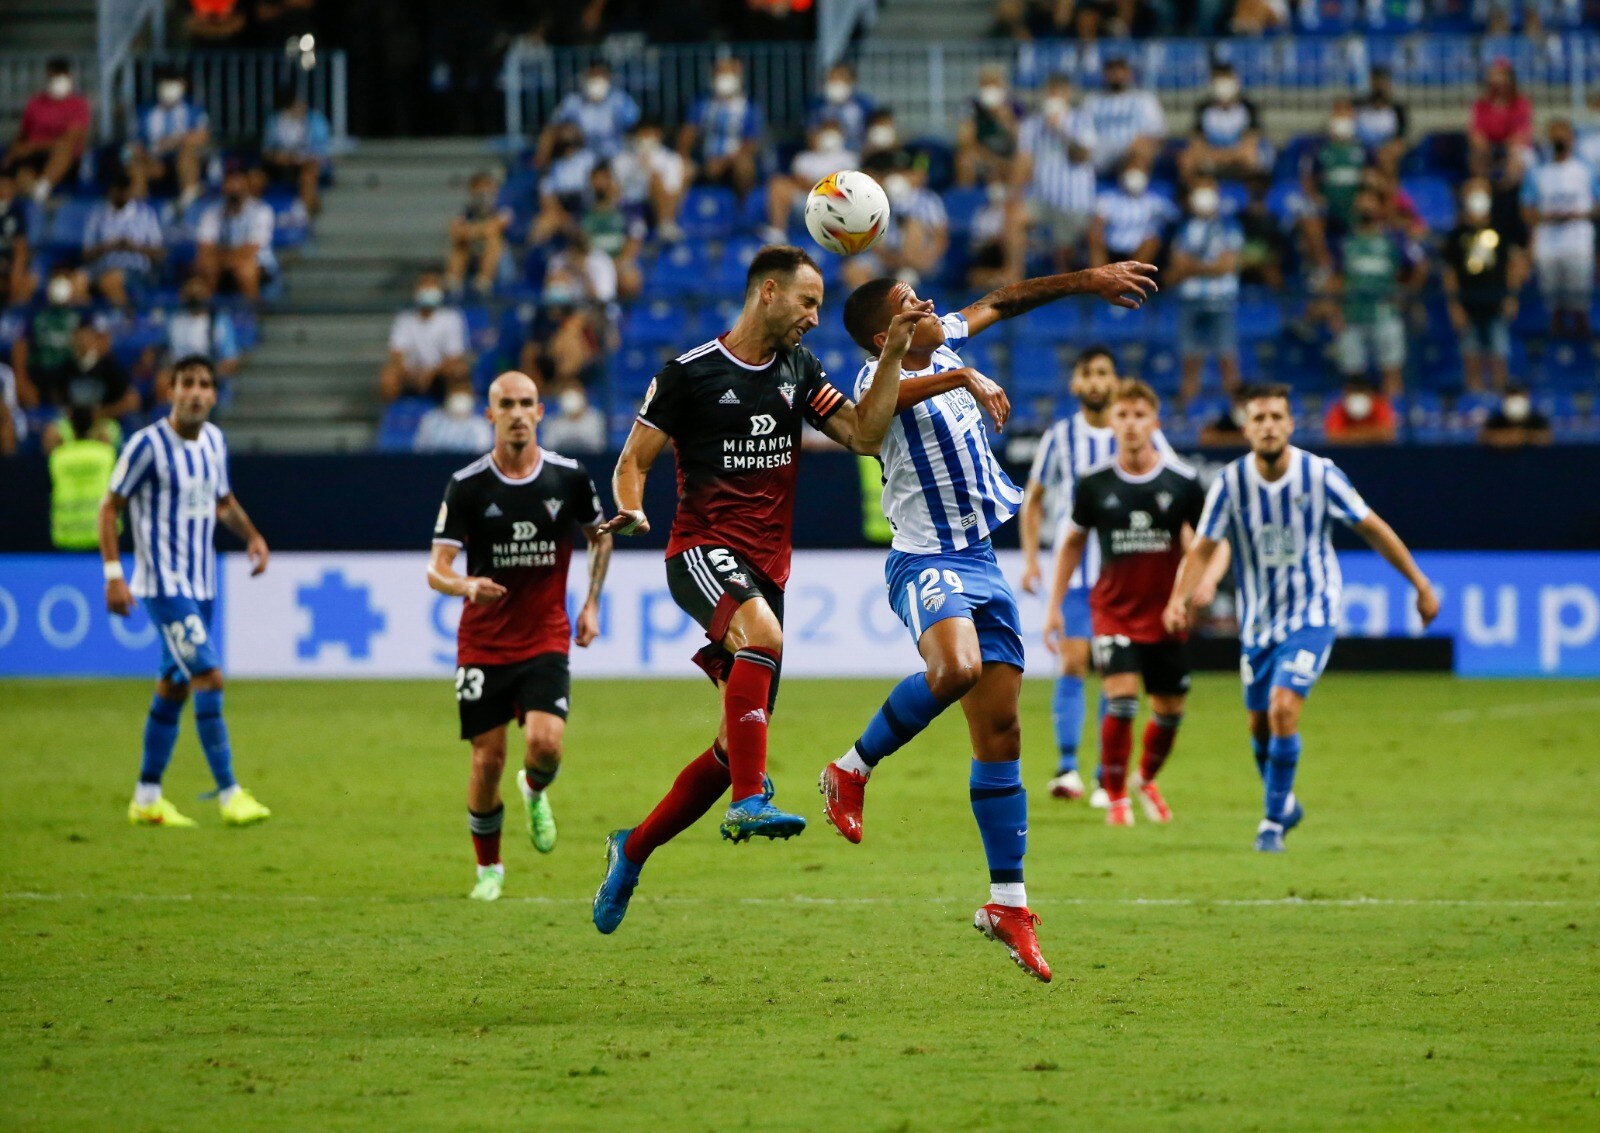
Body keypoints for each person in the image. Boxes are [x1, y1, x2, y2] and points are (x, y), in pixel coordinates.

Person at [816, 258, 1161, 983]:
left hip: (980, 559)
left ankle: (1009, 902)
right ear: (888, 332)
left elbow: (1005, 298)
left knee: (1001, 731)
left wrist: (1089, 278)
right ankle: (850, 768)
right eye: (914, 303)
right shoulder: (874, 383)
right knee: (957, 669)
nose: (933, 304)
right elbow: (875, 426)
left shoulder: (944, 343)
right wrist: (961, 376)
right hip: (924, 559)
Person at [589, 246, 914, 935]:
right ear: (767, 293)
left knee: (731, 743)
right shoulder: (689, 373)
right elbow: (632, 460)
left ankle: (634, 847)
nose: (815, 317)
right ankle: (749, 801)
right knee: (763, 638)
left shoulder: (800, 370)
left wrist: (893, 354)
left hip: (769, 569)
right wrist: (632, 505)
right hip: (702, 552)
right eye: (808, 302)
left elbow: (863, 433)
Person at [1165, 383, 1438, 852]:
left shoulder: (1320, 474)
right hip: (1257, 619)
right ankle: (1285, 803)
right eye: (1259, 418)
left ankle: (1271, 822)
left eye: (1276, 417)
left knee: (1284, 707)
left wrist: (1421, 583)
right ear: (1247, 428)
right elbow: (1204, 547)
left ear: (1291, 424)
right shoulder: (1231, 483)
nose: (1268, 426)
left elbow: (1372, 528)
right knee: (1259, 726)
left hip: (1313, 608)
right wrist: (1178, 598)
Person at [427, 370, 613, 901]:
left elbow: (599, 538)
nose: (515, 412)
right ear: (490, 415)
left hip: (545, 638)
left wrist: (592, 602)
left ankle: (534, 790)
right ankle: (489, 869)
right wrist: (465, 584)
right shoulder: (467, 486)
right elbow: (435, 569)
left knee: (545, 745)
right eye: (505, 403)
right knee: (486, 761)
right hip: (483, 645)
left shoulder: (569, 478)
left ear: (539, 412)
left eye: (526, 402)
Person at [101, 354, 273, 829]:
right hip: (163, 585)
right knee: (209, 676)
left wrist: (253, 536)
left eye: (204, 384)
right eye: (187, 384)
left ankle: (147, 797)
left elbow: (223, 503)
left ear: (214, 395)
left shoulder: (215, 441)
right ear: (170, 391)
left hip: (203, 586)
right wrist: (114, 573)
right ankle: (230, 793)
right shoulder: (146, 446)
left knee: (174, 685)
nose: (196, 392)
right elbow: (108, 507)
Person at [1018, 347, 1188, 805]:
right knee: (1074, 660)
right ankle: (1068, 768)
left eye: (1103, 374)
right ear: (1075, 384)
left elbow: (1174, 482)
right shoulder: (1059, 437)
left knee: (1115, 670)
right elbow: (1033, 498)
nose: (1095, 382)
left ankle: (1102, 775)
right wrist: (1033, 558)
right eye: (1087, 374)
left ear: (1114, 383)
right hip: (1076, 575)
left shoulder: (1136, 436)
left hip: (1127, 573)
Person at [1043, 380, 1207, 827]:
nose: (1131, 424)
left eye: (1140, 415)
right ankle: (1114, 795)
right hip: (1113, 608)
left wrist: (1189, 593)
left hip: (1165, 612)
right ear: (1112, 423)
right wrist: (1055, 606)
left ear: (1154, 422)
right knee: (1121, 699)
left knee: (1170, 710)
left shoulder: (1184, 483)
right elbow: (1072, 544)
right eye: (1123, 415)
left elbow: (1203, 545)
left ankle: (1145, 779)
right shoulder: (1095, 484)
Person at [1332, 187, 1426, 398]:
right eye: (1361, 201)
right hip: (1352, 315)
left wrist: (1406, 294)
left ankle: (1393, 420)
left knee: (1391, 371)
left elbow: (1420, 265)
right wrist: (1335, 311)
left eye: (1370, 200)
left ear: (1379, 207)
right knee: (1353, 375)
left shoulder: (1393, 240)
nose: (1365, 205)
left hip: (1386, 314)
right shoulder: (1346, 242)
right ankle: (1356, 423)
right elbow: (1337, 278)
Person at [1442, 178, 1526, 392]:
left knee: (1499, 353)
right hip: (1468, 304)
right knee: (1471, 355)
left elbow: (1515, 264)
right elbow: (1449, 273)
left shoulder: (1500, 229)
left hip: (1496, 302)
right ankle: (1474, 399)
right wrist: (1454, 306)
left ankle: (1499, 396)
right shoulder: (1456, 235)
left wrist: (1511, 296)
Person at [1012, 73, 1098, 276]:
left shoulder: (1081, 120)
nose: (1053, 98)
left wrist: (1061, 129)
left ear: (1067, 95)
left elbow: (1082, 155)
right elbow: (1024, 161)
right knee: (1013, 217)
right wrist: (1013, 192)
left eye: (1058, 93)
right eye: (1050, 93)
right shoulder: (1031, 124)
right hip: (1040, 199)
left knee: (1064, 255)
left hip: (1073, 201)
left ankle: (1070, 294)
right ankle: (1012, 276)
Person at [1521, 118, 1597, 339]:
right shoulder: (1537, 172)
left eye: (1563, 136)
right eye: (1555, 137)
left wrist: (1579, 214)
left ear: (1572, 139)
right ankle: (1555, 353)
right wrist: (1546, 218)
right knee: (1553, 304)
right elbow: (1527, 209)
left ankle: (1583, 353)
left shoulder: (1586, 170)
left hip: (1578, 243)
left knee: (1580, 301)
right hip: (1548, 245)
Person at [1170, 178, 1243, 401]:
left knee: (1227, 357)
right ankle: (1185, 411)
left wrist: (1192, 266)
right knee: (1190, 359)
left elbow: (1226, 266)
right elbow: (1177, 266)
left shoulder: (1229, 227)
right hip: (1189, 300)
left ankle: (1236, 411)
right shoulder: (1184, 228)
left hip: (1221, 300)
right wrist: (1208, 266)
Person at [1295, 100, 1368, 277]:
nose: (1342, 121)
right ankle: (1324, 269)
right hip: (1327, 207)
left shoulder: (1364, 149)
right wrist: (1316, 196)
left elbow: (1379, 179)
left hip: (1355, 207)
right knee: (1309, 216)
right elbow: (1307, 180)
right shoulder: (1318, 149)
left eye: (1346, 116)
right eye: (1338, 115)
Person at [3, 58, 91, 204]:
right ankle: (37, 195)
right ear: (47, 78)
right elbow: (23, 135)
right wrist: (13, 152)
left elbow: (69, 139)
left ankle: (42, 188)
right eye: (53, 77)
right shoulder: (35, 103)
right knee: (22, 176)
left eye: (60, 77)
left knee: (62, 149)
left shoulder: (79, 104)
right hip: (34, 157)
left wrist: (33, 146)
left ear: (69, 77)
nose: (56, 82)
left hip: (64, 160)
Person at [679, 59, 764, 197]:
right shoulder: (701, 104)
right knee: (677, 170)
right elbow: (688, 133)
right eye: (720, 72)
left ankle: (743, 212)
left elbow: (750, 144)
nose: (724, 78)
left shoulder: (750, 108)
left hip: (733, 161)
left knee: (745, 167)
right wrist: (684, 157)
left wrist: (723, 163)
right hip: (703, 160)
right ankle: (675, 216)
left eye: (729, 73)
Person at [379, 273, 469, 402]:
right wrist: (410, 373)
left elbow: (454, 356)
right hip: (411, 372)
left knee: (459, 371)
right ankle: (392, 416)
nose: (428, 290)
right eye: (424, 286)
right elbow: (396, 353)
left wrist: (432, 373)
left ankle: (456, 412)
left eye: (432, 286)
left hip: (439, 373)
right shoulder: (405, 318)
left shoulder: (451, 317)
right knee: (388, 376)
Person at [82, 173, 166, 310]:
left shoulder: (146, 213)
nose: (119, 194)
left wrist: (134, 247)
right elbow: (86, 254)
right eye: (115, 190)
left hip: (137, 270)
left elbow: (159, 253)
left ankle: (128, 317)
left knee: (110, 279)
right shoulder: (97, 214)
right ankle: (90, 322)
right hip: (102, 267)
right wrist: (109, 246)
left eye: (123, 190)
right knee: (77, 281)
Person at [764, 124, 858, 246]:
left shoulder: (849, 158)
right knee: (777, 183)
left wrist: (817, 184)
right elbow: (799, 181)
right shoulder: (804, 158)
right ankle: (778, 233)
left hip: (835, 206)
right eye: (825, 132)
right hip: (807, 201)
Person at [130, 67, 211, 207]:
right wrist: (138, 151)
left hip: (185, 160)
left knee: (187, 153)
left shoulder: (193, 110)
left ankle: (187, 201)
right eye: (165, 84)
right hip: (156, 161)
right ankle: (138, 207)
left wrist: (174, 141)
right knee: (135, 165)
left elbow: (203, 136)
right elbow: (135, 143)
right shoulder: (146, 112)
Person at [195, 168, 277, 302]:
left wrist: (223, 258)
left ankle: (253, 315)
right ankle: (207, 318)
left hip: (258, 264)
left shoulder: (261, 211)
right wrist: (223, 260)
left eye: (238, 184)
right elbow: (204, 247)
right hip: (222, 261)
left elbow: (250, 249)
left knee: (245, 268)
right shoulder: (212, 212)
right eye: (230, 185)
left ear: (246, 186)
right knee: (205, 265)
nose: (234, 190)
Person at [1179, 62, 1266, 186]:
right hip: (1211, 155)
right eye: (1218, 81)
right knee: (1187, 159)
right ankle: (1197, 194)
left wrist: (1226, 156)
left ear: (1235, 81)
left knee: (1251, 157)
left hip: (1237, 157)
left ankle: (1249, 198)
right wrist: (1216, 156)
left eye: (1226, 80)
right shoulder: (1203, 108)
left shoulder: (1248, 107)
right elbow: (1196, 143)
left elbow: (1250, 143)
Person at [157, 277, 241, 403]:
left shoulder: (218, 322)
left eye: (199, 293)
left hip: (206, 375)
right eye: (191, 293)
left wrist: (209, 375)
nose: (195, 297)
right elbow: (167, 355)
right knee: (162, 381)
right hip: (178, 374)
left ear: (207, 295)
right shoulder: (175, 321)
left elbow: (231, 360)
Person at [1081, 55, 1165, 175]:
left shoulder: (1144, 99)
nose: (1116, 74)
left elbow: (1158, 133)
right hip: (1100, 155)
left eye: (1120, 69)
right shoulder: (1091, 101)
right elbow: (1082, 132)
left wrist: (1141, 143)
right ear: (1104, 74)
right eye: (1111, 70)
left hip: (1132, 155)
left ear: (1128, 73)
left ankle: (1134, 186)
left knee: (1142, 149)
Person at [49, 403, 117, 549]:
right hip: (102, 535)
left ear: (70, 428)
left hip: (66, 536)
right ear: (94, 426)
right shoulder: (106, 454)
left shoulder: (58, 457)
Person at [611, 118, 690, 242]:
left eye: (649, 134)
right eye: (642, 134)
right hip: (630, 204)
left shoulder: (671, 159)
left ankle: (665, 224)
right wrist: (638, 165)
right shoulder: (622, 158)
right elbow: (617, 186)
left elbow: (672, 189)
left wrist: (649, 168)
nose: (645, 138)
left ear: (658, 135)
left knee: (656, 178)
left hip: (657, 207)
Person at [547, 60, 639, 163]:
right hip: (582, 155)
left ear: (609, 78)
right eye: (592, 75)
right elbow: (552, 127)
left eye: (600, 75)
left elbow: (636, 126)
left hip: (616, 154)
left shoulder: (621, 100)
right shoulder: (573, 101)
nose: (596, 79)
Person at [261, 88, 332, 215]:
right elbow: (266, 150)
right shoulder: (275, 121)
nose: (298, 107)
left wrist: (299, 158)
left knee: (308, 177)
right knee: (255, 179)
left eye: (301, 103)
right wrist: (276, 157)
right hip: (279, 165)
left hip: (306, 164)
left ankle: (306, 217)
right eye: (294, 104)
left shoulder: (315, 121)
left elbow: (322, 150)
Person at [1089, 166, 1175, 268]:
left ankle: (1131, 278)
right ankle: (1101, 278)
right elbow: (1098, 221)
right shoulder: (1108, 198)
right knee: (1094, 235)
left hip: (1136, 251)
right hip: (1110, 246)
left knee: (1152, 242)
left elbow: (1174, 216)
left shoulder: (1154, 201)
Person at [445, 171, 512, 298]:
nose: (482, 191)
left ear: (494, 189)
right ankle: (453, 281)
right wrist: (474, 231)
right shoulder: (467, 211)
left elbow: (494, 227)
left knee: (494, 238)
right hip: (474, 251)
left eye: (486, 186)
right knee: (459, 242)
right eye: (478, 187)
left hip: (502, 257)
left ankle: (484, 280)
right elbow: (454, 229)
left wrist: (469, 230)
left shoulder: (503, 208)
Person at [956, 65, 1024, 188]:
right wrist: (977, 119)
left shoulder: (1015, 106)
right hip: (980, 154)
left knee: (1021, 162)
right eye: (987, 84)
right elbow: (962, 141)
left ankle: (1012, 200)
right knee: (965, 161)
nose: (991, 88)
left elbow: (1021, 140)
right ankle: (967, 199)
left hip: (1006, 156)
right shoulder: (971, 105)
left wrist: (1005, 119)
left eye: (995, 83)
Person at [1354, 65, 1409, 179]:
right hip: (1362, 151)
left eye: (1382, 82)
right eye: (1376, 81)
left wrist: (1385, 151)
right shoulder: (1358, 106)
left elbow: (1401, 138)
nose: (1379, 86)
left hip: (1386, 153)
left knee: (1388, 156)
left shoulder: (1397, 109)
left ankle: (1389, 186)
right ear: (1370, 83)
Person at [806, 63, 875, 154]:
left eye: (841, 78)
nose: (836, 82)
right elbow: (811, 133)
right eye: (832, 79)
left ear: (852, 81)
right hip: (825, 153)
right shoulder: (817, 105)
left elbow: (873, 133)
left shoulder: (864, 104)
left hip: (859, 152)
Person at [414, 376, 493, 453]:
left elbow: (482, 457)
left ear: (472, 396)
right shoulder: (431, 420)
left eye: (464, 392)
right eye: (456, 391)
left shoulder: (480, 425)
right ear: (447, 395)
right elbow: (421, 452)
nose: (460, 396)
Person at [1323, 379, 1398, 445]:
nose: (1357, 398)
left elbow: (1388, 434)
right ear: (1345, 395)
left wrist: (1350, 435)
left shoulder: (1380, 404)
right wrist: (1371, 434)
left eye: (1360, 392)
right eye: (1354, 393)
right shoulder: (1338, 408)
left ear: (1369, 393)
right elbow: (1332, 437)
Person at [0, 168, 35, 308]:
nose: (3, 189)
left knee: (27, 281)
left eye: (7, 185)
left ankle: (14, 314)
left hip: (10, 262)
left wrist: (15, 275)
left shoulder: (17, 211)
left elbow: (21, 246)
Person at [539, 384, 606, 454]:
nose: (572, 400)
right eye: (568, 396)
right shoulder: (552, 423)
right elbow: (548, 449)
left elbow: (598, 447)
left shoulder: (595, 419)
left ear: (583, 397)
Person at [1479, 385, 1552, 447]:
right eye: (1512, 397)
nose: (1516, 402)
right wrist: (1506, 437)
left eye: (1519, 396)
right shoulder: (1497, 418)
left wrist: (1524, 436)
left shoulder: (1536, 418)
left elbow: (1548, 438)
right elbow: (1482, 438)